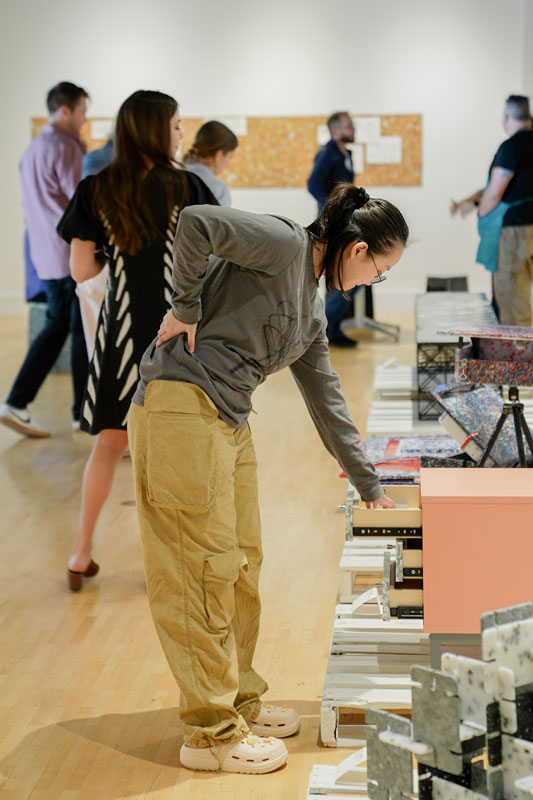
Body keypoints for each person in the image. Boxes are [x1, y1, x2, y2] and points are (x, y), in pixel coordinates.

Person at [127, 183, 409, 774]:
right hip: (181, 405)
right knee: (198, 570)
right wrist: (185, 306)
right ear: (356, 250)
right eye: (378, 273)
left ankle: (241, 697)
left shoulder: (311, 306)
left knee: (241, 563)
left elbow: (325, 396)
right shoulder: (283, 244)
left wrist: (371, 486)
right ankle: (209, 735)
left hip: (228, 418)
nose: (369, 285)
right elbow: (197, 223)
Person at [56, 90, 218, 592]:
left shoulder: (96, 189)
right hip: (179, 333)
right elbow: (217, 261)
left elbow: (81, 269)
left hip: (121, 336)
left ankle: (81, 554)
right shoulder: (189, 187)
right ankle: (175, 563)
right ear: (155, 130)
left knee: (109, 444)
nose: (180, 135)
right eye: (175, 126)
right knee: (177, 448)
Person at [0, 82, 90, 437]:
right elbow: (79, 201)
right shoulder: (67, 147)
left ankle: (26, 404)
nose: (84, 120)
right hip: (68, 253)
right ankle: (74, 411)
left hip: (44, 253)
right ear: (65, 110)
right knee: (75, 327)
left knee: (61, 326)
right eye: (83, 112)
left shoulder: (34, 147)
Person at [451, 95, 533, 325]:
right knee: (521, 293)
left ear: (507, 117)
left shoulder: (512, 146)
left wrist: (482, 214)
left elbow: (495, 192)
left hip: (511, 233)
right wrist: (472, 202)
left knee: (512, 302)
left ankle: (517, 359)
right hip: (528, 229)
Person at [308, 112, 360, 347]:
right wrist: (333, 207)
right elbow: (314, 185)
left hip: (347, 222)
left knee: (345, 276)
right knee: (344, 275)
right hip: (334, 224)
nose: (354, 129)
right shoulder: (327, 153)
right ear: (335, 130)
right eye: (349, 126)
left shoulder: (345, 154)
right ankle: (326, 330)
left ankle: (330, 329)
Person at [76, 139, 115, 358]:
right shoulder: (180, 184)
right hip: (103, 274)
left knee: (99, 357)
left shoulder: (91, 170)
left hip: (98, 273)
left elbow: (80, 270)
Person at [183, 120, 238, 206]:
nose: (228, 163)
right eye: (229, 157)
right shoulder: (219, 189)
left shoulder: (175, 174)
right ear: (219, 155)